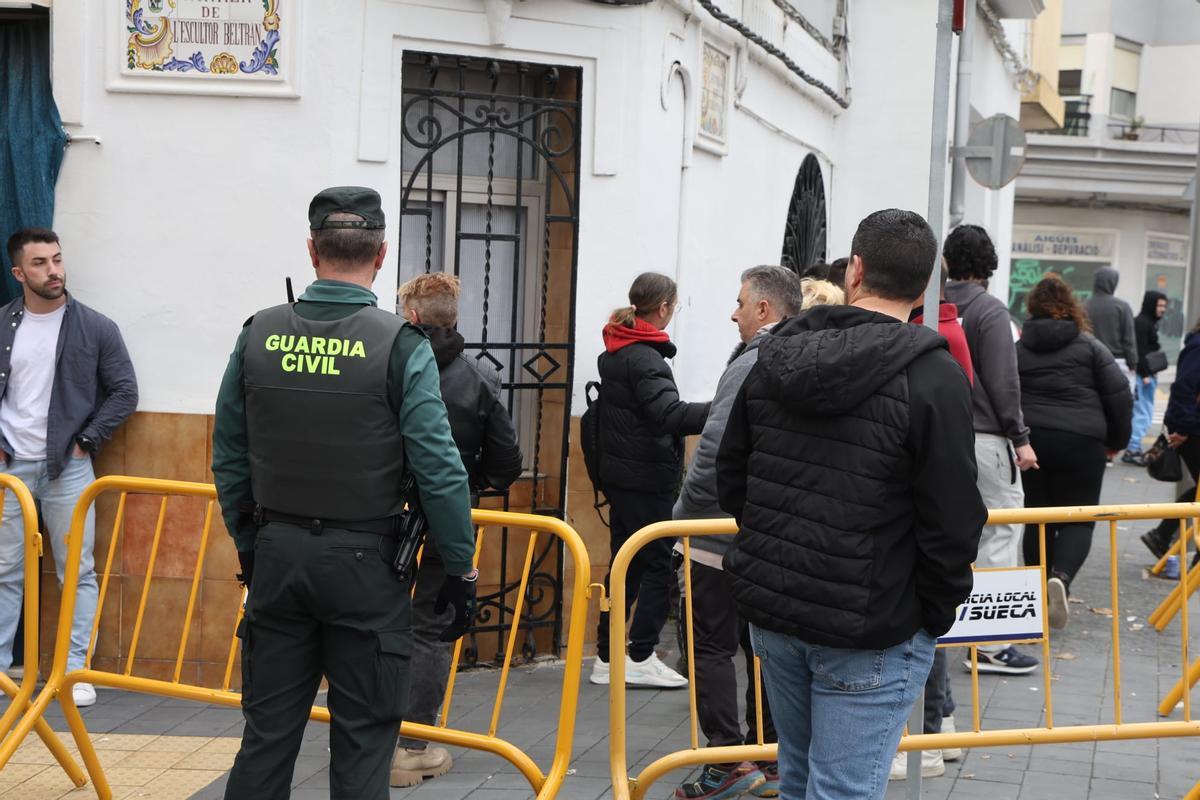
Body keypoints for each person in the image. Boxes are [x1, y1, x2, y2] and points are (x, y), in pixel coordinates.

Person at [212, 187, 478, 800]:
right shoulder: (399, 345)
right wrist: (459, 569)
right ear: (382, 255)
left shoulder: (257, 334)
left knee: (267, 737)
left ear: (311, 250)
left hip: (277, 556)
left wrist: (252, 545)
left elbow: (229, 456)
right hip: (367, 570)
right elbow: (440, 471)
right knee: (364, 743)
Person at [718, 209, 986, 800]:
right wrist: (931, 613)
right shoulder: (934, 375)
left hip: (782, 609)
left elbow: (731, 475)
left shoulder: (774, 356)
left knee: (801, 777)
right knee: (839, 788)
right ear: (924, 287)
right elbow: (953, 518)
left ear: (855, 271)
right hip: (872, 623)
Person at [671, 265, 802, 800]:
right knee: (762, 645)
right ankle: (770, 758)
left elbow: (715, 454)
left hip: (721, 530)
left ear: (765, 309)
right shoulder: (809, 356)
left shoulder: (752, 362)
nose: (733, 312)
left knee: (708, 644)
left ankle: (727, 759)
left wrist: (681, 520)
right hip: (774, 531)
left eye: (741, 302)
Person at [389, 272, 523, 787]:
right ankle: (413, 745)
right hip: (451, 510)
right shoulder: (478, 376)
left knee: (377, 613)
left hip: (386, 508)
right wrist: (472, 484)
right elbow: (507, 460)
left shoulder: (389, 364)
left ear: (414, 317)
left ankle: (374, 733)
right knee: (431, 626)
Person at [0, 228, 137, 709]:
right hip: (11, 469)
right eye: (39, 263)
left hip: (69, 468)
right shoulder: (2, 325)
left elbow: (125, 391)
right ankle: (1, 674)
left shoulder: (95, 327)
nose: (53, 270)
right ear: (19, 273)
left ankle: (75, 671)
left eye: (56, 259)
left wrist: (87, 441)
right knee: (4, 571)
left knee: (77, 573)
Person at [589, 272, 709, 689]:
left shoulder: (621, 348)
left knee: (626, 562)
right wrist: (722, 408)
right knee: (658, 562)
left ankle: (607, 656)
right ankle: (640, 653)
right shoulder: (644, 357)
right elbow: (667, 415)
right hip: (644, 476)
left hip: (623, 475)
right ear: (664, 308)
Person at [944, 224, 1041, 676]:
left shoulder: (933, 307)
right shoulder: (989, 311)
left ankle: (946, 625)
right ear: (989, 264)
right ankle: (991, 643)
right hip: (986, 438)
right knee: (1000, 532)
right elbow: (1004, 381)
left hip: (939, 435)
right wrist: (1019, 438)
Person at [891, 261, 975, 781]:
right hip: (920, 518)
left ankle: (929, 731)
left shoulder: (935, 340)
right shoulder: (939, 333)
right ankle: (936, 725)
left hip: (919, 518)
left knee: (927, 629)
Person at [1016, 276, 1131, 630]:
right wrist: (1117, 441)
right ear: (1071, 308)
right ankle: (1060, 579)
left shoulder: (1017, 349)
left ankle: (1036, 594)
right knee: (1079, 517)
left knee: (1037, 518)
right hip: (1083, 441)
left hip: (1033, 441)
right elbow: (1119, 396)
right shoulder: (1090, 347)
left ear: (1031, 309)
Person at [1142, 319, 1200, 559]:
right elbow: (1184, 388)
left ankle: (1162, 534)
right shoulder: (1197, 347)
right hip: (1193, 430)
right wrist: (1185, 427)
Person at [1124, 291, 1168, 464]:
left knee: (1142, 412)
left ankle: (1133, 447)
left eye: (1164, 306)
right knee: (1143, 413)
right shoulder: (1143, 323)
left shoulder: (1146, 322)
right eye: (1160, 305)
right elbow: (1140, 351)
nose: (1163, 309)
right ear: (1151, 305)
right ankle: (1133, 449)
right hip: (1145, 376)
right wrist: (1145, 374)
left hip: (1146, 374)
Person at [1085, 267, 1138, 388]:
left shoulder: (1084, 306)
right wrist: (1132, 364)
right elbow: (1128, 339)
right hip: (1117, 362)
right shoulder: (1122, 307)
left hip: (1090, 360)